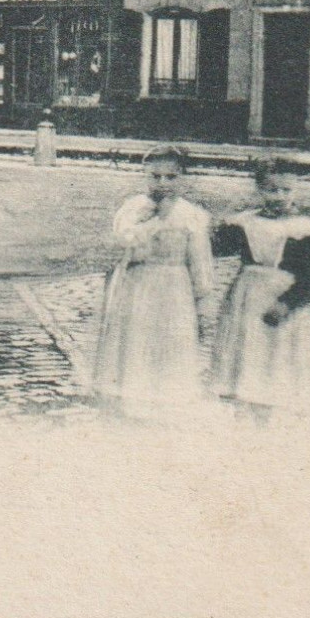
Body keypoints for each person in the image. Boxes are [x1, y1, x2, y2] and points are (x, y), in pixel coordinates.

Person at [90, 145, 216, 417]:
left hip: (175, 288)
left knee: (170, 343)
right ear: (145, 175)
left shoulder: (191, 215)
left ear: (182, 177)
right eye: (155, 176)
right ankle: (131, 405)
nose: (162, 183)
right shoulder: (133, 209)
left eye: (170, 177)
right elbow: (124, 244)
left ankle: (167, 406)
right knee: (136, 343)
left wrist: (202, 298)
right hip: (138, 285)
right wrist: (152, 221)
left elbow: (200, 260)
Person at [209, 157, 310, 417]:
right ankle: (244, 409)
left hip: (280, 296)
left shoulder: (305, 231)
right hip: (247, 296)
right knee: (246, 351)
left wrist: (287, 303)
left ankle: (270, 415)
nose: (279, 196)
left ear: (295, 190)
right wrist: (220, 227)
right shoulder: (245, 223)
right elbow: (218, 248)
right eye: (271, 189)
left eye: (286, 190)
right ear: (259, 189)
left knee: (276, 356)